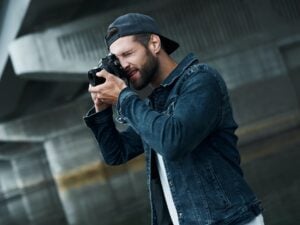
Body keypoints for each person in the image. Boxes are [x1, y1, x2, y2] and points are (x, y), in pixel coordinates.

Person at [84, 13, 264, 225]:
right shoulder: (154, 105)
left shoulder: (200, 80)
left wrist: (124, 97)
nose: (123, 65)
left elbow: (173, 142)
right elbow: (116, 153)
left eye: (128, 53)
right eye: (117, 59)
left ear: (154, 43)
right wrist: (103, 110)